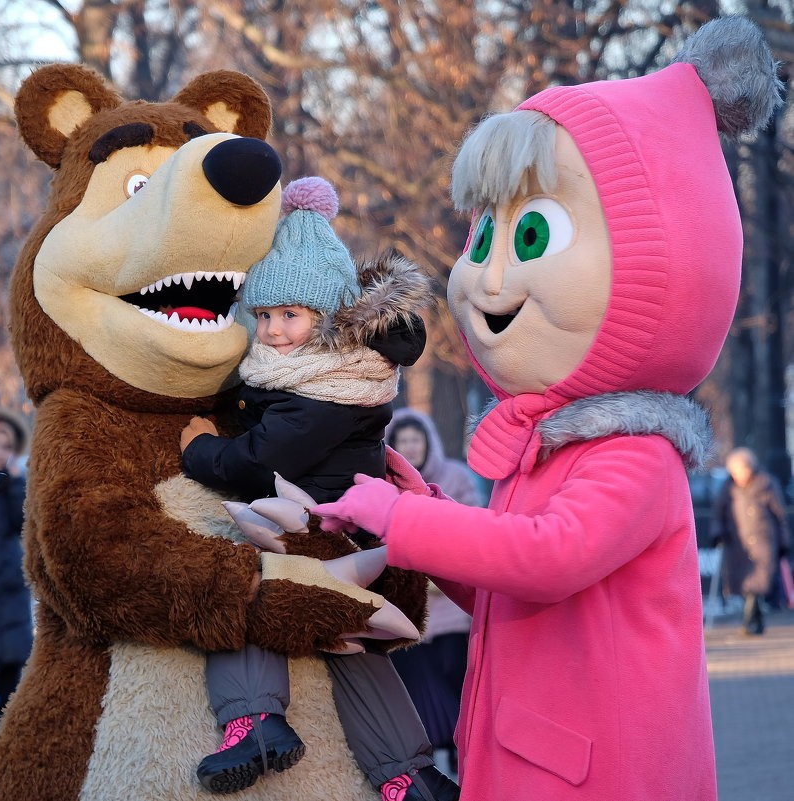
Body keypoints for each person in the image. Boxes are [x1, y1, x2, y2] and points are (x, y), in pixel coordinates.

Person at [311, 17, 782, 801]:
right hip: (528, 763)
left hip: (598, 776)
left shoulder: (635, 452)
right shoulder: (554, 447)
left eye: (528, 234)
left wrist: (402, 520)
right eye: (483, 234)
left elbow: (550, 556)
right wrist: (417, 507)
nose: (485, 279)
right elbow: (503, 582)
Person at [180, 177, 459, 801]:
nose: (275, 330)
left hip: (317, 534)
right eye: (265, 315)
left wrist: (200, 449)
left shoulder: (328, 386)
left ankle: (252, 720)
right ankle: (406, 777)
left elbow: (259, 460)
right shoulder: (328, 368)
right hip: (345, 534)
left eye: (291, 316)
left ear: (328, 317)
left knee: (247, 592)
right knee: (352, 645)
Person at [385, 409, 480, 772]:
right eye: (403, 442)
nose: (410, 447)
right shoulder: (385, 484)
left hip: (452, 604)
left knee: (455, 677)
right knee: (419, 687)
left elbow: (471, 529)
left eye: (416, 440)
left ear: (428, 442)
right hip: (411, 608)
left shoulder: (454, 477)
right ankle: (433, 755)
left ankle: (464, 754)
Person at [710, 447, 791, 635]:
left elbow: (780, 515)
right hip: (738, 544)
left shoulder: (767, 483)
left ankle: (748, 623)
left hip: (763, 541)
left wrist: (783, 542)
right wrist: (718, 533)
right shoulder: (727, 488)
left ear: (749, 468)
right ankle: (757, 621)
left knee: (756, 583)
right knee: (747, 584)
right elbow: (718, 514)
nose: (737, 475)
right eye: (734, 472)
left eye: (740, 471)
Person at [0, 409, 33, 739]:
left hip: (10, 597)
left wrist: (14, 482)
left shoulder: (13, 487)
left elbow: (24, 523)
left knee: (12, 680)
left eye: (5, 446)